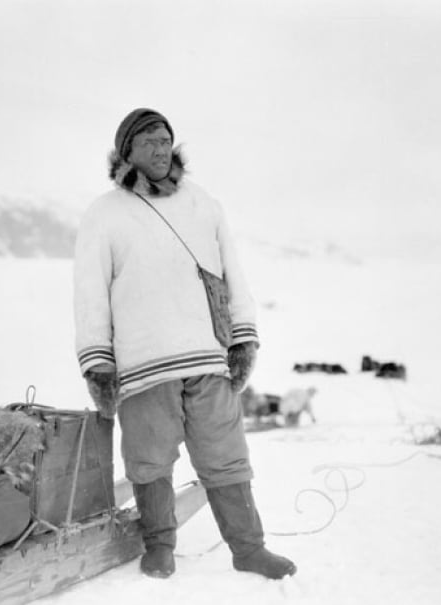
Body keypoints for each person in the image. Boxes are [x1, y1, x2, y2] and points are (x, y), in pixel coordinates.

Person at [73, 108, 297, 580]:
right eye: (150, 140)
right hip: (143, 363)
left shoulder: (203, 204)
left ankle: (249, 548)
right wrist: (99, 364)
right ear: (127, 149)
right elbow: (90, 294)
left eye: (166, 140)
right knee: (149, 459)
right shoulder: (104, 213)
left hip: (207, 356)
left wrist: (243, 338)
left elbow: (233, 274)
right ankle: (160, 548)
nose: (160, 148)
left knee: (226, 455)